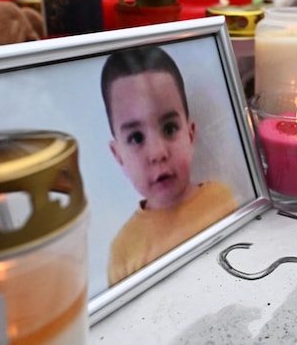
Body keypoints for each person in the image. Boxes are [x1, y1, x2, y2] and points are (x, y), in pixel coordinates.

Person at [101, 46, 238, 286]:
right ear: (118, 155)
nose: (157, 153)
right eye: (136, 138)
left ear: (191, 135)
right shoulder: (123, 251)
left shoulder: (222, 198)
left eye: (169, 128)